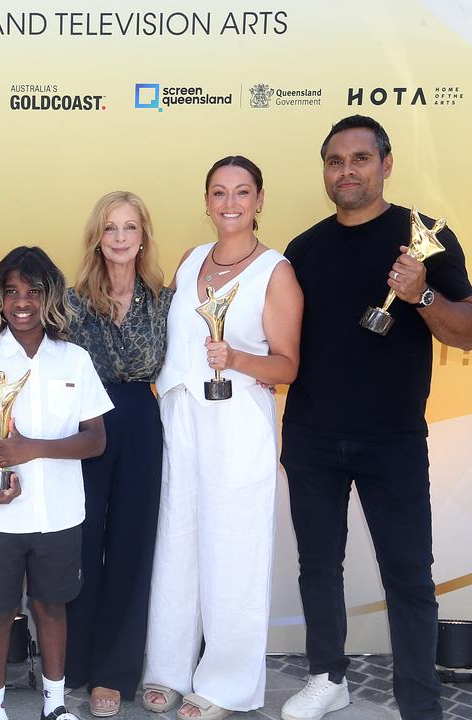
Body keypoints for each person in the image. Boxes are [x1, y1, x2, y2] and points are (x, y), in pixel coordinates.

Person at [279, 115, 472, 720]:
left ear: (385, 164)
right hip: (312, 435)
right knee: (318, 566)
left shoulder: (424, 236)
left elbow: (471, 330)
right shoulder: (303, 249)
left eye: (360, 159)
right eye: (336, 161)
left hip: (392, 438)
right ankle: (327, 678)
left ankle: (420, 702)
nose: (347, 171)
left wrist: (421, 293)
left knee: (408, 575)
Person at [142, 156, 303, 720]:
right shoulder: (189, 262)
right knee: (176, 544)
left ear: (260, 200)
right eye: (219, 192)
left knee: (234, 551)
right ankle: (166, 670)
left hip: (238, 423)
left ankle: (226, 685)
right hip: (182, 418)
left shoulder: (276, 272)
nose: (229, 202)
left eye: (242, 192)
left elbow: (287, 367)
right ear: (206, 201)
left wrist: (234, 357)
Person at [0, 247, 114, 720]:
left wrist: (33, 448)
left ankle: (54, 707)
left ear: (49, 296)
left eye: (33, 291)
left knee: (52, 608)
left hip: (58, 514)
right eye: (11, 291)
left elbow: (96, 440)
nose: (22, 301)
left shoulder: (73, 359)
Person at [63, 192, 173, 717]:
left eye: (131, 228)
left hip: (142, 422)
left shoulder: (165, 298)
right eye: (111, 228)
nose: (122, 237)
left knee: (132, 545)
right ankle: (76, 664)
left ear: (144, 236)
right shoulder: (70, 300)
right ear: (97, 237)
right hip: (85, 424)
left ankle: (115, 670)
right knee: (82, 545)